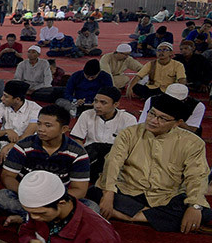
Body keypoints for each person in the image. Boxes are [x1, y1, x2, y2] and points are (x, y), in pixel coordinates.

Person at [95, 94, 212, 233]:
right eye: (152, 114)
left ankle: (126, 216)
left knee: (204, 212)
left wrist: (195, 206)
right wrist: (108, 194)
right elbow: (113, 162)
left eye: (162, 118)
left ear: (177, 123)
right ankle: (155, 217)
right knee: (95, 193)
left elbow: (197, 176)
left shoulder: (193, 143)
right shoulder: (130, 133)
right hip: (129, 190)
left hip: (166, 196)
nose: (153, 121)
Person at [0, 105, 91, 226]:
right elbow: (7, 176)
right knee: (2, 197)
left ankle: (28, 218)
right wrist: (27, 194)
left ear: (64, 129)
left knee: (92, 208)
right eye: (39, 123)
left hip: (57, 200)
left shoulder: (78, 152)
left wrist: (51, 201)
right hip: (27, 196)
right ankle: (54, 221)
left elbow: (80, 190)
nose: (41, 129)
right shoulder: (24, 145)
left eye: (48, 125)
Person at [69, 86, 136, 182]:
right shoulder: (87, 115)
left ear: (115, 104)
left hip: (114, 155)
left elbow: (129, 147)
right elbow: (77, 140)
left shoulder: (128, 119)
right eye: (95, 101)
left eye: (103, 103)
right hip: (91, 153)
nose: (97, 106)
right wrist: (81, 159)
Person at [0, 80, 40, 160]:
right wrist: (6, 131)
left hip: (27, 142)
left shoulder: (35, 109)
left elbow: (28, 135)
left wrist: (11, 145)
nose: (2, 98)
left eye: (6, 96)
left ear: (17, 99)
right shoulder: (0, 106)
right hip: (4, 140)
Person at [137, 82, 206, 134]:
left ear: (186, 99)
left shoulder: (197, 106)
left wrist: (177, 123)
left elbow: (192, 131)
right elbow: (142, 123)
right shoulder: (152, 100)